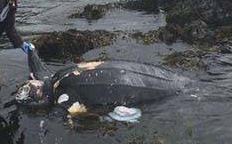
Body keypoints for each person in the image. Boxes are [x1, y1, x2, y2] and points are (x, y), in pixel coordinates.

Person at [15, 50, 192, 118]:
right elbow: (38, 70)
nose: (34, 84)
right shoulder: (58, 76)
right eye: (33, 87)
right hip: (136, 74)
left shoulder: (61, 99)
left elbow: (55, 117)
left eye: (32, 84)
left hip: (140, 85)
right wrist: (31, 51)